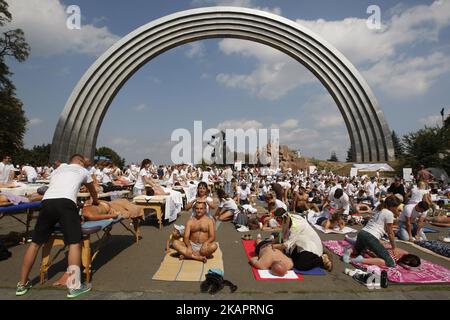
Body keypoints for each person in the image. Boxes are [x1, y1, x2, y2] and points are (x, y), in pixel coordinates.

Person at [16, 154, 98, 298]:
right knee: (74, 243)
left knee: (35, 243)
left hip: (47, 203)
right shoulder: (83, 170)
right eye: (84, 162)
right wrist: (95, 201)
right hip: (66, 203)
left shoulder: (59, 169)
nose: (86, 164)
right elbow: (92, 190)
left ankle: (22, 284)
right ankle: (74, 287)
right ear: (79, 161)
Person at [343, 195, 401, 268]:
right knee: (390, 262)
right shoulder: (389, 213)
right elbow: (390, 233)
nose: (397, 209)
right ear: (392, 206)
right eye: (396, 207)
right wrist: (394, 247)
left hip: (362, 232)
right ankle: (360, 260)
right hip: (370, 236)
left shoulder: (378, 209)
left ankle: (349, 251)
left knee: (357, 250)